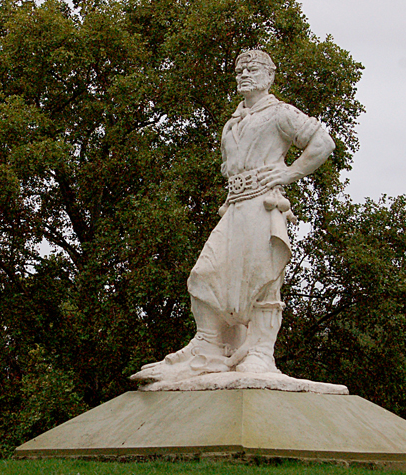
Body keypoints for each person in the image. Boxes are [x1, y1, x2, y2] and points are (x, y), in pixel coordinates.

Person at [132, 50, 335, 383]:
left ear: (269, 76)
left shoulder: (280, 113)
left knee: (264, 279)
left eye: (252, 69)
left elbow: (322, 143)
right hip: (235, 206)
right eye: (239, 70)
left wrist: (288, 173)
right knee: (205, 273)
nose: (244, 74)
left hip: (263, 204)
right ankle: (209, 347)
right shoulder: (232, 123)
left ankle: (260, 353)